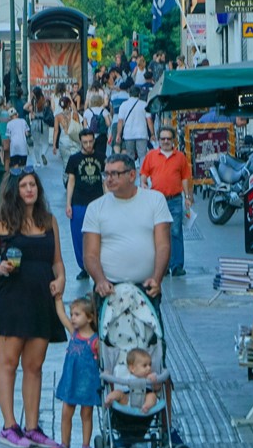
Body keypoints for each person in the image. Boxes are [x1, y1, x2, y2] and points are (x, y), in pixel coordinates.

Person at [0, 170, 67, 448]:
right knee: (9, 363)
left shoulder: (49, 221)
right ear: (15, 190)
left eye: (33, 185)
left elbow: (57, 261)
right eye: (24, 186)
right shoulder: (3, 223)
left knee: (35, 366)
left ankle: (33, 426)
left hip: (40, 300)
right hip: (10, 300)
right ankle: (9, 426)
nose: (29, 190)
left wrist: (60, 279)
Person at [82, 152, 171, 309]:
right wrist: (100, 280)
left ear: (132, 175)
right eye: (106, 174)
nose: (109, 179)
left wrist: (157, 279)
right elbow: (90, 254)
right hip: (109, 290)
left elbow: (163, 245)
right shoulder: (95, 208)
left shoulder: (155, 200)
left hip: (147, 287)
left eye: (115, 174)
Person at [139, 127, 192, 278]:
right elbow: (144, 172)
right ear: (159, 140)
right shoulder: (151, 156)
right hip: (156, 201)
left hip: (175, 199)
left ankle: (176, 266)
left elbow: (185, 178)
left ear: (173, 140)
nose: (166, 141)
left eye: (169, 138)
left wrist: (187, 197)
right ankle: (163, 266)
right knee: (159, 233)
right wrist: (143, 183)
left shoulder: (180, 157)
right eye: (163, 139)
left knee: (175, 232)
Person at [52, 294, 100, 448]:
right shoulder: (74, 333)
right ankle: (65, 443)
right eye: (72, 314)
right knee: (66, 412)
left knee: (86, 414)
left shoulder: (95, 341)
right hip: (71, 380)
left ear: (90, 318)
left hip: (87, 383)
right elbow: (61, 315)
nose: (72, 318)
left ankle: (86, 445)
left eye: (77, 314)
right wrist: (58, 299)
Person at [63, 129, 105, 280]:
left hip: (97, 201)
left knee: (100, 235)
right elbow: (71, 181)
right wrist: (68, 203)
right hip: (79, 201)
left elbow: (105, 181)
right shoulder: (74, 159)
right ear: (80, 142)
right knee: (78, 236)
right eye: (85, 142)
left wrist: (108, 201)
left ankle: (98, 264)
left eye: (90, 141)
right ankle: (84, 267)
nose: (88, 145)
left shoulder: (101, 158)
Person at [105, 347, 160, 414]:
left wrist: (154, 380)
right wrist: (107, 374)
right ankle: (109, 399)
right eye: (144, 365)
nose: (149, 368)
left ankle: (147, 406)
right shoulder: (124, 375)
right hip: (126, 400)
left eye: (150, 365)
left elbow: (157, 388)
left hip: (144, 398)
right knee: (118, 393)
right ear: (132, 368)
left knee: (152, 396)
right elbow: (113, 380)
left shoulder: (150, 376)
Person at [114, 86, 152, 162]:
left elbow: (120, 121)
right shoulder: (144, 104)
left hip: (128, 134)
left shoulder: (123, 105)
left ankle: (131, 172)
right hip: (141, 133)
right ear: (139, 94)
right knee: (142, 156)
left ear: (129, 94)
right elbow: (149, 120)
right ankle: (142, 173)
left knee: (130, 155)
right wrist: (152, 133)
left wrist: (118, 134)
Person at [51, 94, 83, 161]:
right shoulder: (75, 114)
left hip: (63, 139)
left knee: (65, 161)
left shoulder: (57, 116)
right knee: (75, 159)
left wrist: (54, 145)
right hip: (74, 138)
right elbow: (79, 128)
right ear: (69, 104)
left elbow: (56, 130)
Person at [2, 104, 30, 171]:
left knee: (15, 164)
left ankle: (16, 178)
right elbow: (27, 133)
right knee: (23, 165)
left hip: (14, 146)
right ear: (17, 114)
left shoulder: (9, 124)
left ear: (10, 117)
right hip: (23, 145)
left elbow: (8, 136)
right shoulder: (23, 121)